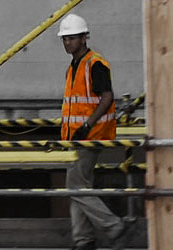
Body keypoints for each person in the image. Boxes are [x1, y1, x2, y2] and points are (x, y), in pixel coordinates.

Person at [57, 13, 136, 250]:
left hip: (90, 136)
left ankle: (113, 227)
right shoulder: (74, 66)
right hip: (77, 137)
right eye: (65, 39)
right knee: (79, 188)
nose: (67, 42)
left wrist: (87, 125)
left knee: (76, 187)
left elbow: (107, 97)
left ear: (84, 37)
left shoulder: (95, 63)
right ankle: (84, 241)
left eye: (71, 38)